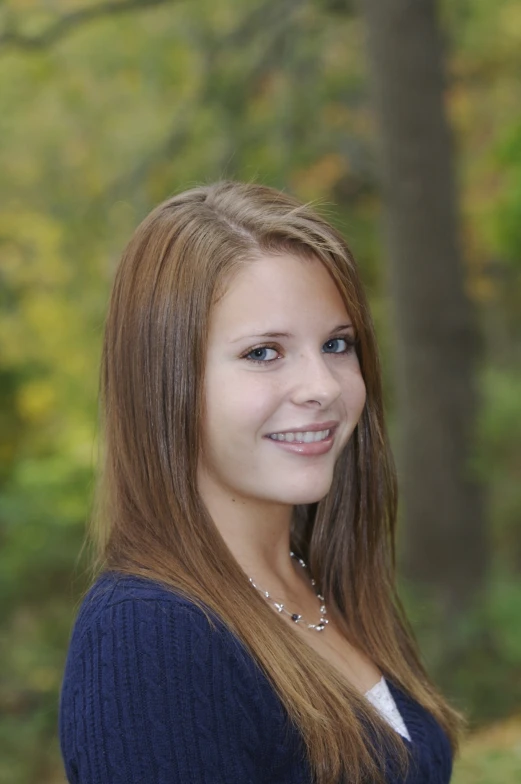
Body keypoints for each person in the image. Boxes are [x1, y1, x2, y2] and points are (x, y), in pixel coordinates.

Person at [59, 181, 461, 784]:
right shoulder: (148, 636)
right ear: (165, 381)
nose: (322, 386)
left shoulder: (324, 581)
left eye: (336, 344)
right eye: (264, 353)